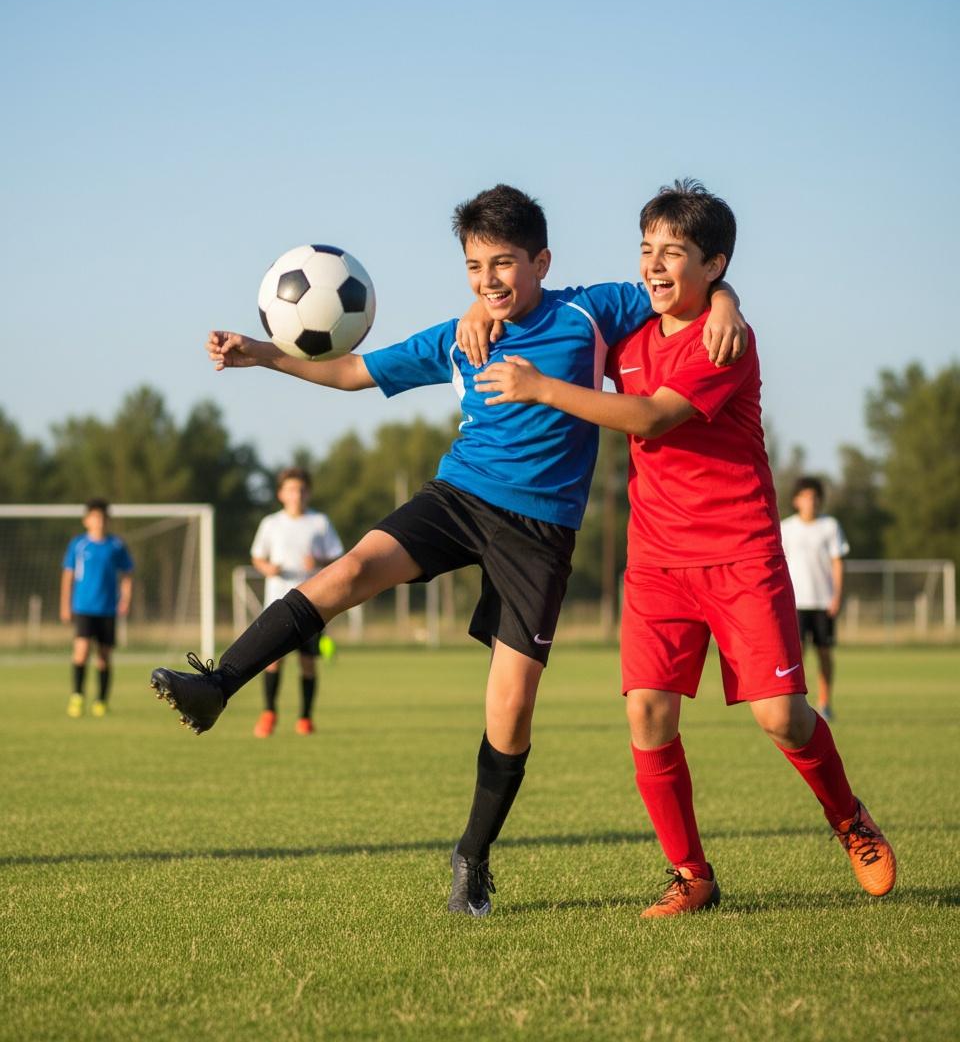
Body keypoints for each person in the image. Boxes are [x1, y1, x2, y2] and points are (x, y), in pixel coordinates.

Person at [149, 183, 745, 917]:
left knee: (511, 706)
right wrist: (264, 355)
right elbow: (352, 373)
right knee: (350, 571)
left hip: (540, 533)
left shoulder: (592, 310)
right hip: (458, 498)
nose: (488, 282)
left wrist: (727, 304)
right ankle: (218, 684)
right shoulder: (462, 335)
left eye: (503, 265)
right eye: (473, 268)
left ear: (541, 261)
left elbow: (675, 288)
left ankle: (473, 855)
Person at [473, 179, 896, 915]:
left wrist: (543, 389)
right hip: (658, 562)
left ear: (715, 264)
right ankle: (691, 875)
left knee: (781, 717)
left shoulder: (725, 337)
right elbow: (541, 302)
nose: (655, 266)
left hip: (739, 553)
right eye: (647, 251)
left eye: (675, 253)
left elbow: (648, 416)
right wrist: (482, 303)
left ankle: (850, 818)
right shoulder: (628, 334)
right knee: (646, 714)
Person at [249, 467, 344, 737]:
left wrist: (319, 562)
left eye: (301, 490)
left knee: (308, 663)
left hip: (312, 603)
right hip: (277, 603)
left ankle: (305, 718)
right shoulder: (271, 523)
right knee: (273, 661)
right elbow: (257, 556)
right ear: (281, 494)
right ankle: (269, 713)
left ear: (309, 493)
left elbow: (338, 557)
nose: (297, 495)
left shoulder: (320, 523)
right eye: (291, 489)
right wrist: (267, 568)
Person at [780, 476, 850, 721]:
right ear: (796, 500)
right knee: (796, 657)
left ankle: (825, 702)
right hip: (795, 603)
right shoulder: (786, 528)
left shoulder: (830, 526)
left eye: (814, 497)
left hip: (823, 602)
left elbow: (837, 562)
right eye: (806, 497)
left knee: (824, 653)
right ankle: (800, 704)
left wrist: (837, 596)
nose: (811, 501)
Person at [60, 499, 134, 718]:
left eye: (102, 518)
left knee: (104, 656)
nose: (99, 521)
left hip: (108, 609)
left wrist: (125, 599)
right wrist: (65, 604)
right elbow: (67, 575)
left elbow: (127, 573)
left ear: (108, 521)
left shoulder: (116, 545)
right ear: (86, 520)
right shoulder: (78, 545)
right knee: (81, 652)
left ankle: (101, 700)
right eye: (94, 517)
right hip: (83, 607)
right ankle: (77, 696)